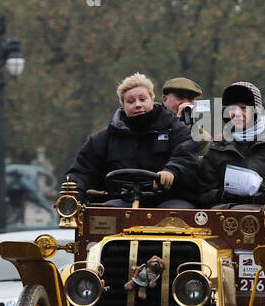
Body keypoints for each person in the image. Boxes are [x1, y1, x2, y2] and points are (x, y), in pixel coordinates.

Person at [65, 72, 199, 208]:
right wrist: (72, 197)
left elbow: (186, 155)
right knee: (105, 214)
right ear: (122, 104)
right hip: (121, 200)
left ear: (152, 99)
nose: (138, 105)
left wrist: (171, 171)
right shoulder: (103, 139)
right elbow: (82, 171)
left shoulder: (176, 130)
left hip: (169, 199)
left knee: (177, 215)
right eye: (131, 101)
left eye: (143, 99)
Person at [197, 81, 265, 214]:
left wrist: (264, 197)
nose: (236, 114)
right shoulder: (216, 148)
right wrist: (224, 195)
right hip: (224, 218)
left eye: (243, 108)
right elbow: (202, 193)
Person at [162, 77, 210, 157]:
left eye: (190, 99)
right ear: (164, 99)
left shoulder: (203, 137)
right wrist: (177, 124)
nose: (186, 103)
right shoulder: (153, 123)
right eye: (180, 97)